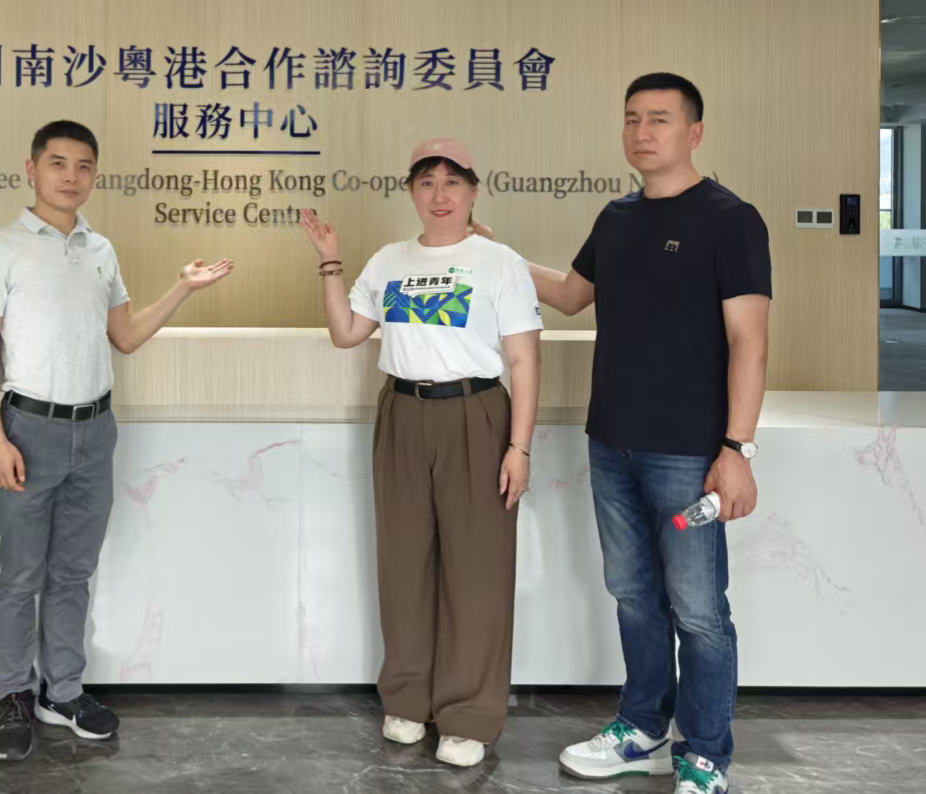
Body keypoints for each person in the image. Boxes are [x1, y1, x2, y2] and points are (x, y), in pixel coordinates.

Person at [528, 73, 770, 794]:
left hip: (690, 453)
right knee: (633, 594)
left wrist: (737, 449)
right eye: (632, 118)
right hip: (611, 443)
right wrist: (492, 255)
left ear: (694, 132)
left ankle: (706, 752)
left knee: (699, 610)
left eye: (659, 119)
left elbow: (750, 341)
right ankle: (642, 728)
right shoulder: (617, 216)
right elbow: (570, 296)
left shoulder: (731, 219)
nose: (642, 131)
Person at [0, 119, 233, 763]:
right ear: (31, 169)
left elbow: (127, 335)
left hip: (96, 430)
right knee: (21, 575)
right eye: (58, 163)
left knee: (72, 573)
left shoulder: (100, 249)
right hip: (27, 429)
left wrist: (183, 287)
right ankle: (13, 696)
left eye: (84, 166)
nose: (71, 176)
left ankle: (62, 692)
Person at [299, 138, 542, 768]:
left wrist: (519, 446)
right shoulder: (389, 260)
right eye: (427, 182)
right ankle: (407, 699)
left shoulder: (499, 263)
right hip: (403, 412)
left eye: (452, 182)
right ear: (411, 191)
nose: (440, 195)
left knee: (477, 571)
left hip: (475, 412)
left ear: (473, 191)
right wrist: (330, 262)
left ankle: (469, 714)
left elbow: (523, 359)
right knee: (404, 564)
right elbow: (346, 333)